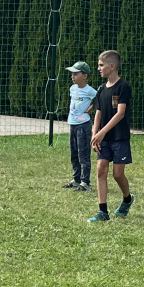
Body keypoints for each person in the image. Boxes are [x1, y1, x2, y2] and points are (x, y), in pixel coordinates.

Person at [88, 50, 134, 222]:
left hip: (119, 137)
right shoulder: (101, 89)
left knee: (117, 174)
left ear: (112, 66)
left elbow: (120, 113)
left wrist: (102, 132)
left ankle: (127, 199)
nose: (98, 68)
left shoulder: (123, 87)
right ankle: (103, 212)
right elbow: (98, 114)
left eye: (101, 65)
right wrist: (95, 136)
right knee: (101, 170)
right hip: (104, 139)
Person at [64, 61, 95, 191]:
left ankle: (85, 182)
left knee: (83, 154)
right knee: (74, 153)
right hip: (73, 124)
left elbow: (100, 99)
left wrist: (91, 108)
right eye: (72, 74)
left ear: (85, 76)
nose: (73, 76)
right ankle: (76, 179)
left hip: (83, 126)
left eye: (76, 74)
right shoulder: (72, 88)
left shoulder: (89, 91)